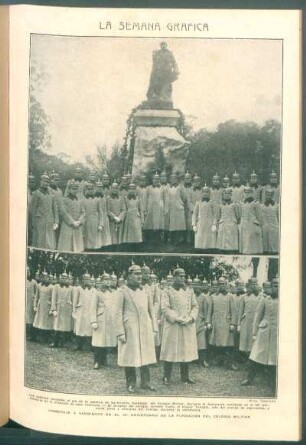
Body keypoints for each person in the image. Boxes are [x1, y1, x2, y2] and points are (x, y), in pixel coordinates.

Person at [115, 264, 157, 393]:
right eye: (136, 274)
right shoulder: (122, 291)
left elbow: (151, 311)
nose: (139, 276)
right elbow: (117, 312)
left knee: (145, 355)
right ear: (129, 276)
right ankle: (131, 383)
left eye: (140, 274)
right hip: (130, 329)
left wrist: (154, 327)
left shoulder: (145, 290)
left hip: (145, 328)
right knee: (130, 356)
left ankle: (146, 382)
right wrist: (120, 332)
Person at [160, 268, 198, 384]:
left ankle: (185, 376)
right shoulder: (167, 291)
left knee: (185, 350)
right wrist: (176, 318)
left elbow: (195, 306)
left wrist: (191, 318)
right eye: (180, 276)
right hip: (173, 326)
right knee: (170, 350)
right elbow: (165, 308)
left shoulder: (189, 290)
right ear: (174, 277)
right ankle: (166, 376)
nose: (183, 278)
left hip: (187, 325)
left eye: (184, 276)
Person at [242, 277, 279, 393]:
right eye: (274, 285)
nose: (276, 288)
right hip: (263, 332)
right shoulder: (265, 299)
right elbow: (257, 316)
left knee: (274, 357)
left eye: (278, 286)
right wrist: (254, 333)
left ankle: (274, 381)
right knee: (255, 355)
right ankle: (249, 378)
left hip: (277, 334)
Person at [206, 277, 238, 370]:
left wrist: (233, 323)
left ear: (226, 284)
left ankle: (230, 363)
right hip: (216, 322)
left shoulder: (230, 296)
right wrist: (208, 322)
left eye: (223, 283)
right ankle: (216, 360)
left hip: (226, 323)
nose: (222, 285)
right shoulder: (213, 296)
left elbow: (234, 312)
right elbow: (209, 311)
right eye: (220, 284)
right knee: (216, 343)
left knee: (229, 344)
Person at [91, 272, 117, 369]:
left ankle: (104, 358)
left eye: (109, 280)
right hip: (100, 318)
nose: (108, 282)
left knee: (107, 341)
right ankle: (97, 360)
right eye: (105, 280)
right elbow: (92, 307)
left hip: (110, 319)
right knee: (98, 341)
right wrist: (93, 321)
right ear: (101, 281)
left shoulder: (112, 292)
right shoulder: (97, 292)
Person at [30, 173, 59, 250]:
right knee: (40, 241)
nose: (46, 183)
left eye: (47, 181)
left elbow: (55, 209)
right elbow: (33, 209)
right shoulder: (36, 193)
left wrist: (56, 221)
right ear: (40, 181)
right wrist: (33, 223)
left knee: (50, 241)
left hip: (50, 221)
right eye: (44, 181)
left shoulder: (52, 195)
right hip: (39, 221)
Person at [57, 179, 86, 253]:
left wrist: (79, 221)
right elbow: (64, 212)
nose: (74, 190)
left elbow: (84, 212)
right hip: (68, 226)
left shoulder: (80, 200)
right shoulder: (64, 200)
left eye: (76, 189)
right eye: (73, 189)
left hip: (78, 226)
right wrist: (72, 222)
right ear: (69, 189)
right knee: (67, 248)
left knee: (77, 248)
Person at [237, 278, 261, 358]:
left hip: (256, 321)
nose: (254, 286)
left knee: (255, 340)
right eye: (252, 284)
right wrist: (238, 325)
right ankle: (245, 358)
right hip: (246, 321)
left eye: (255, 284)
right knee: (246, 340)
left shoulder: (261, 297)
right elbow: (240, 311)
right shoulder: (244, 297)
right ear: (249, 285)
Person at [50, 271, 73, 348]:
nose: (64, 279)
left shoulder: (70, 288)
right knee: (57, 325)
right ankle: (55, 342)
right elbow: (53, 298)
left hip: (67, 309)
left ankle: (63, 342)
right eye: (63, 277)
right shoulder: (56, 286)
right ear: (60, 278)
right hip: (58, 308)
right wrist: (54, 309)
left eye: (65, 278)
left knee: (65, 326)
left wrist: (72, 308)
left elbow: (72, 299)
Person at [239, 184, 263, 254]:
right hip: (244, 224)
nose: (247, 193)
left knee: (252, 241)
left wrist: (259, 226)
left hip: (252, 224)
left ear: (252, 192)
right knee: (245, 240)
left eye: (249, 192)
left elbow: (259, 216)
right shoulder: (242, 203)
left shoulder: (256, 203)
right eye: (246, 192)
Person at [72, 272, 94, 351]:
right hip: (80, 311)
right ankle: (79, 345)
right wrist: (74, 312)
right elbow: (75, 301)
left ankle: (91, 346)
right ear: (82, 280)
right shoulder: (78, 289)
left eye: (88, 279)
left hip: (89, 311)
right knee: (79, 327)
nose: (87, 280)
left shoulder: (93, 290)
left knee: (89, 328)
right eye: (85, 279)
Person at [143, 173, 166, 245]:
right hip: (150, 208)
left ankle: (158, 240)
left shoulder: (163, 188)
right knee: (150, 224)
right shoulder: (148, 188)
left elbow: (165, 199)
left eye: (157, 179)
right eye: (154, 179)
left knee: (159, 224)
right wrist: (144, 209)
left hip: (159, 208)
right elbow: (145, 199)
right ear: (152, 180)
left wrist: (165, 208)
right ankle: (149, 240)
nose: (156, 180)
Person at [192, 185, 217, 251]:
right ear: (201, 193)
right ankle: (200, 250)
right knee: (200, 239)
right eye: (204, 192)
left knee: (209, 240)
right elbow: (194, 214)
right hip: (200, 224)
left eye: (207, 192)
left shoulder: (212, 202)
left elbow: (215, 214)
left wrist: (214, 224)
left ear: (209, 193)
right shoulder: (198, 203)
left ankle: (209, 250)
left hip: (209, 224)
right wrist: (194, 224)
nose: (205, 193)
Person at [216, 188, 240, 252]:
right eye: (225, 194)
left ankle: (232, 251)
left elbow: (238, 215)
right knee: (222, 239)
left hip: (232, 224)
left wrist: (235, 221)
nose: (227, 195)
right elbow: (218, 216)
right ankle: (222, 250)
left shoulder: (235, 204)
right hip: (223, 223)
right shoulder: (220, 205)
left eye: (228, 194)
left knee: (232, 240)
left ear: (231, 195)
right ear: (223, 195)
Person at [33, 270, 53, 344]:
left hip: (47, 306)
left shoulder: (51, 287)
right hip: (40, 305)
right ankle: (40, 337)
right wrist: (34, 305)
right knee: (40, 321)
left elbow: (53, 299)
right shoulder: (39, 285)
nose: (44, 278)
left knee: (47, 322)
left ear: (48, 278)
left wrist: (52, 309)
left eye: (46, 277)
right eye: (43, 277)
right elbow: (36, 296)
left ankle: (47, 338)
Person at [121, 183, 144, 249]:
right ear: (128, 190)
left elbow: (141, 210)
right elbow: (124, 209)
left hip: (136, 217)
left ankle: (137, 248)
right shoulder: (125, 198)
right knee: (129, 234)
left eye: (133, 189)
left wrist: (142, 221)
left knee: (136, 233)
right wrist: (121, 219)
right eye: (130, 189)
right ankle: (129, 248)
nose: (132, 190)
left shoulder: (138, 198)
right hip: (128, 217)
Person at [193, 276, 209, 367]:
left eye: (197, 285)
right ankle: (193, 359)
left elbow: (206, 311)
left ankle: (203, 360)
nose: (196, 287)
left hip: (201, 322)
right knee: (192, 341)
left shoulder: (204, 297)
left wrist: (206, 323)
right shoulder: (191, 296)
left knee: (202, 342)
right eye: (194, 285)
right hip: (192, 321)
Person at [82, 182, 104, 251]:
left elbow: (101, 212)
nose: (90, 190)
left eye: (91, 189)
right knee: (87, 240)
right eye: (88, 189)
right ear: (86, 190)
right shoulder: (83, 200)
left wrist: (100, 224)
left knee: (95, 242)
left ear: (94, 189)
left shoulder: (97, 200)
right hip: (86, 222)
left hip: (95, 222)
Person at [168, 174, 187, 246]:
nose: (173, 180)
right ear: (170, 180)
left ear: (177, 180)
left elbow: (185, 198)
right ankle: (172, 239)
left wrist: (180, 203)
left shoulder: (181, 187)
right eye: (172, 178)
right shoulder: (168, 188)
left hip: (179, 208)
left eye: (174, 178)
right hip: (171, 208)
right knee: (172, 224)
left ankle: (180, 240)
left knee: (179, 224)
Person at [106, 182, 126, 247]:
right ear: (111, 189)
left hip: (120, 221)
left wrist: (119, 218)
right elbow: (108, 210)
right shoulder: (108, 198)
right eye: (113, 188)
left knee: (119, 238)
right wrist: (114, 217)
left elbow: (124, 209)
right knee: (113, 238)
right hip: (112, 221)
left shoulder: (121, 198)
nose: (115, 189)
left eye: (116, 188)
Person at [261, 188, 279, 254]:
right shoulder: (262, 206)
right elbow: (261, 217)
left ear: (272, 195)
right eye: (267, 195)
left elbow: (278, 216)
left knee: (274, 245)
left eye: (270, 195)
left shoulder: (276, 206)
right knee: (265, 245)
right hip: (265, 227)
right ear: (265, 195)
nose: (269, 196)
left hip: (274, 227)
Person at [26, 268, 38, 341]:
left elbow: (37, 292)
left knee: (31, 318)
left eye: (28, 272)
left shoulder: (34, 282)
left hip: (31, 301)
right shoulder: (23, 281)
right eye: (26, 272)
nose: (27, 273)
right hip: (25, 300)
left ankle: (32, 335)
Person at [183, 172, 194, 245]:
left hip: (191, 208)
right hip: (183, 207)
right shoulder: (181, 187)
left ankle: (190, 240)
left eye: (189, 178)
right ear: (184, 179)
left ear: (191, 179)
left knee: (190, 224)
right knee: (183, 224)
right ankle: (183, 239)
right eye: (186, 178)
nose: (187, 179)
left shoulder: (193, 188)